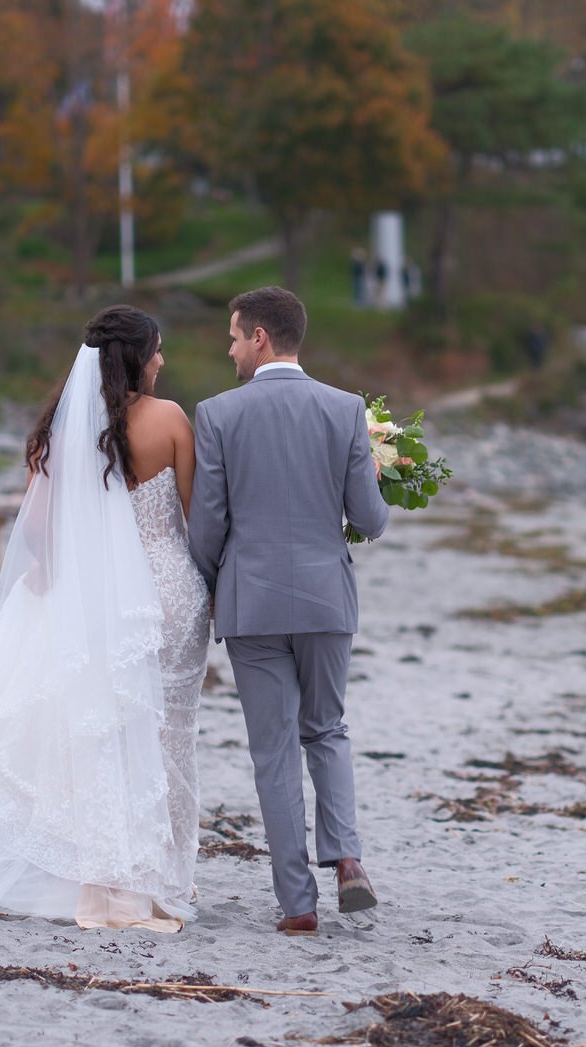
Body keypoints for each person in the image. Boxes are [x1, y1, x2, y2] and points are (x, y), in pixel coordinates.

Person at [0, 306, 209, 933]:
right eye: (159, 350)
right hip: (168, 598)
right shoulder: (169, 420)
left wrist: (63, 581)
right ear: (139, 357)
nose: (164, 360)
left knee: (105, 740)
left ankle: (102, 884)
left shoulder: (61, 432)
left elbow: (38, 533)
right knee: (169, 739)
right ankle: (164, 883)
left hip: (97, 605)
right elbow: (198, 519)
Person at [187, 286, 389, 934]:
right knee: (326, 730)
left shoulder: (217, 415)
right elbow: (370, 519)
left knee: (273, 750)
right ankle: (349, 860)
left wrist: (214, 581)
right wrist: (376, 480)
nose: (230, 348)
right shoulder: (345, 409)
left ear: (261, 339)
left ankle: (297, 904)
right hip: (327, 599)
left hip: (252, 602)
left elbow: (207, 525)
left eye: (234, 336)